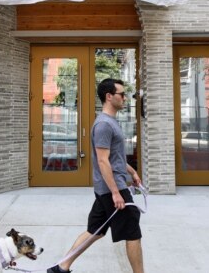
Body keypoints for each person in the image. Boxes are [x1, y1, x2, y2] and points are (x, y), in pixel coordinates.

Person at [48, 78, 144, 273]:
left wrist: (131, 171)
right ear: (109, 97)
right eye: (121, 94)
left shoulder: (109, 122)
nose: (125, 98)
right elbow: (102, 161)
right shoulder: (104, 125)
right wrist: (116, 192)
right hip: (112, 189)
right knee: (132, 233)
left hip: (106, 188)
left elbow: (113, 158)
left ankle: (61, 267)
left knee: (96, 231)